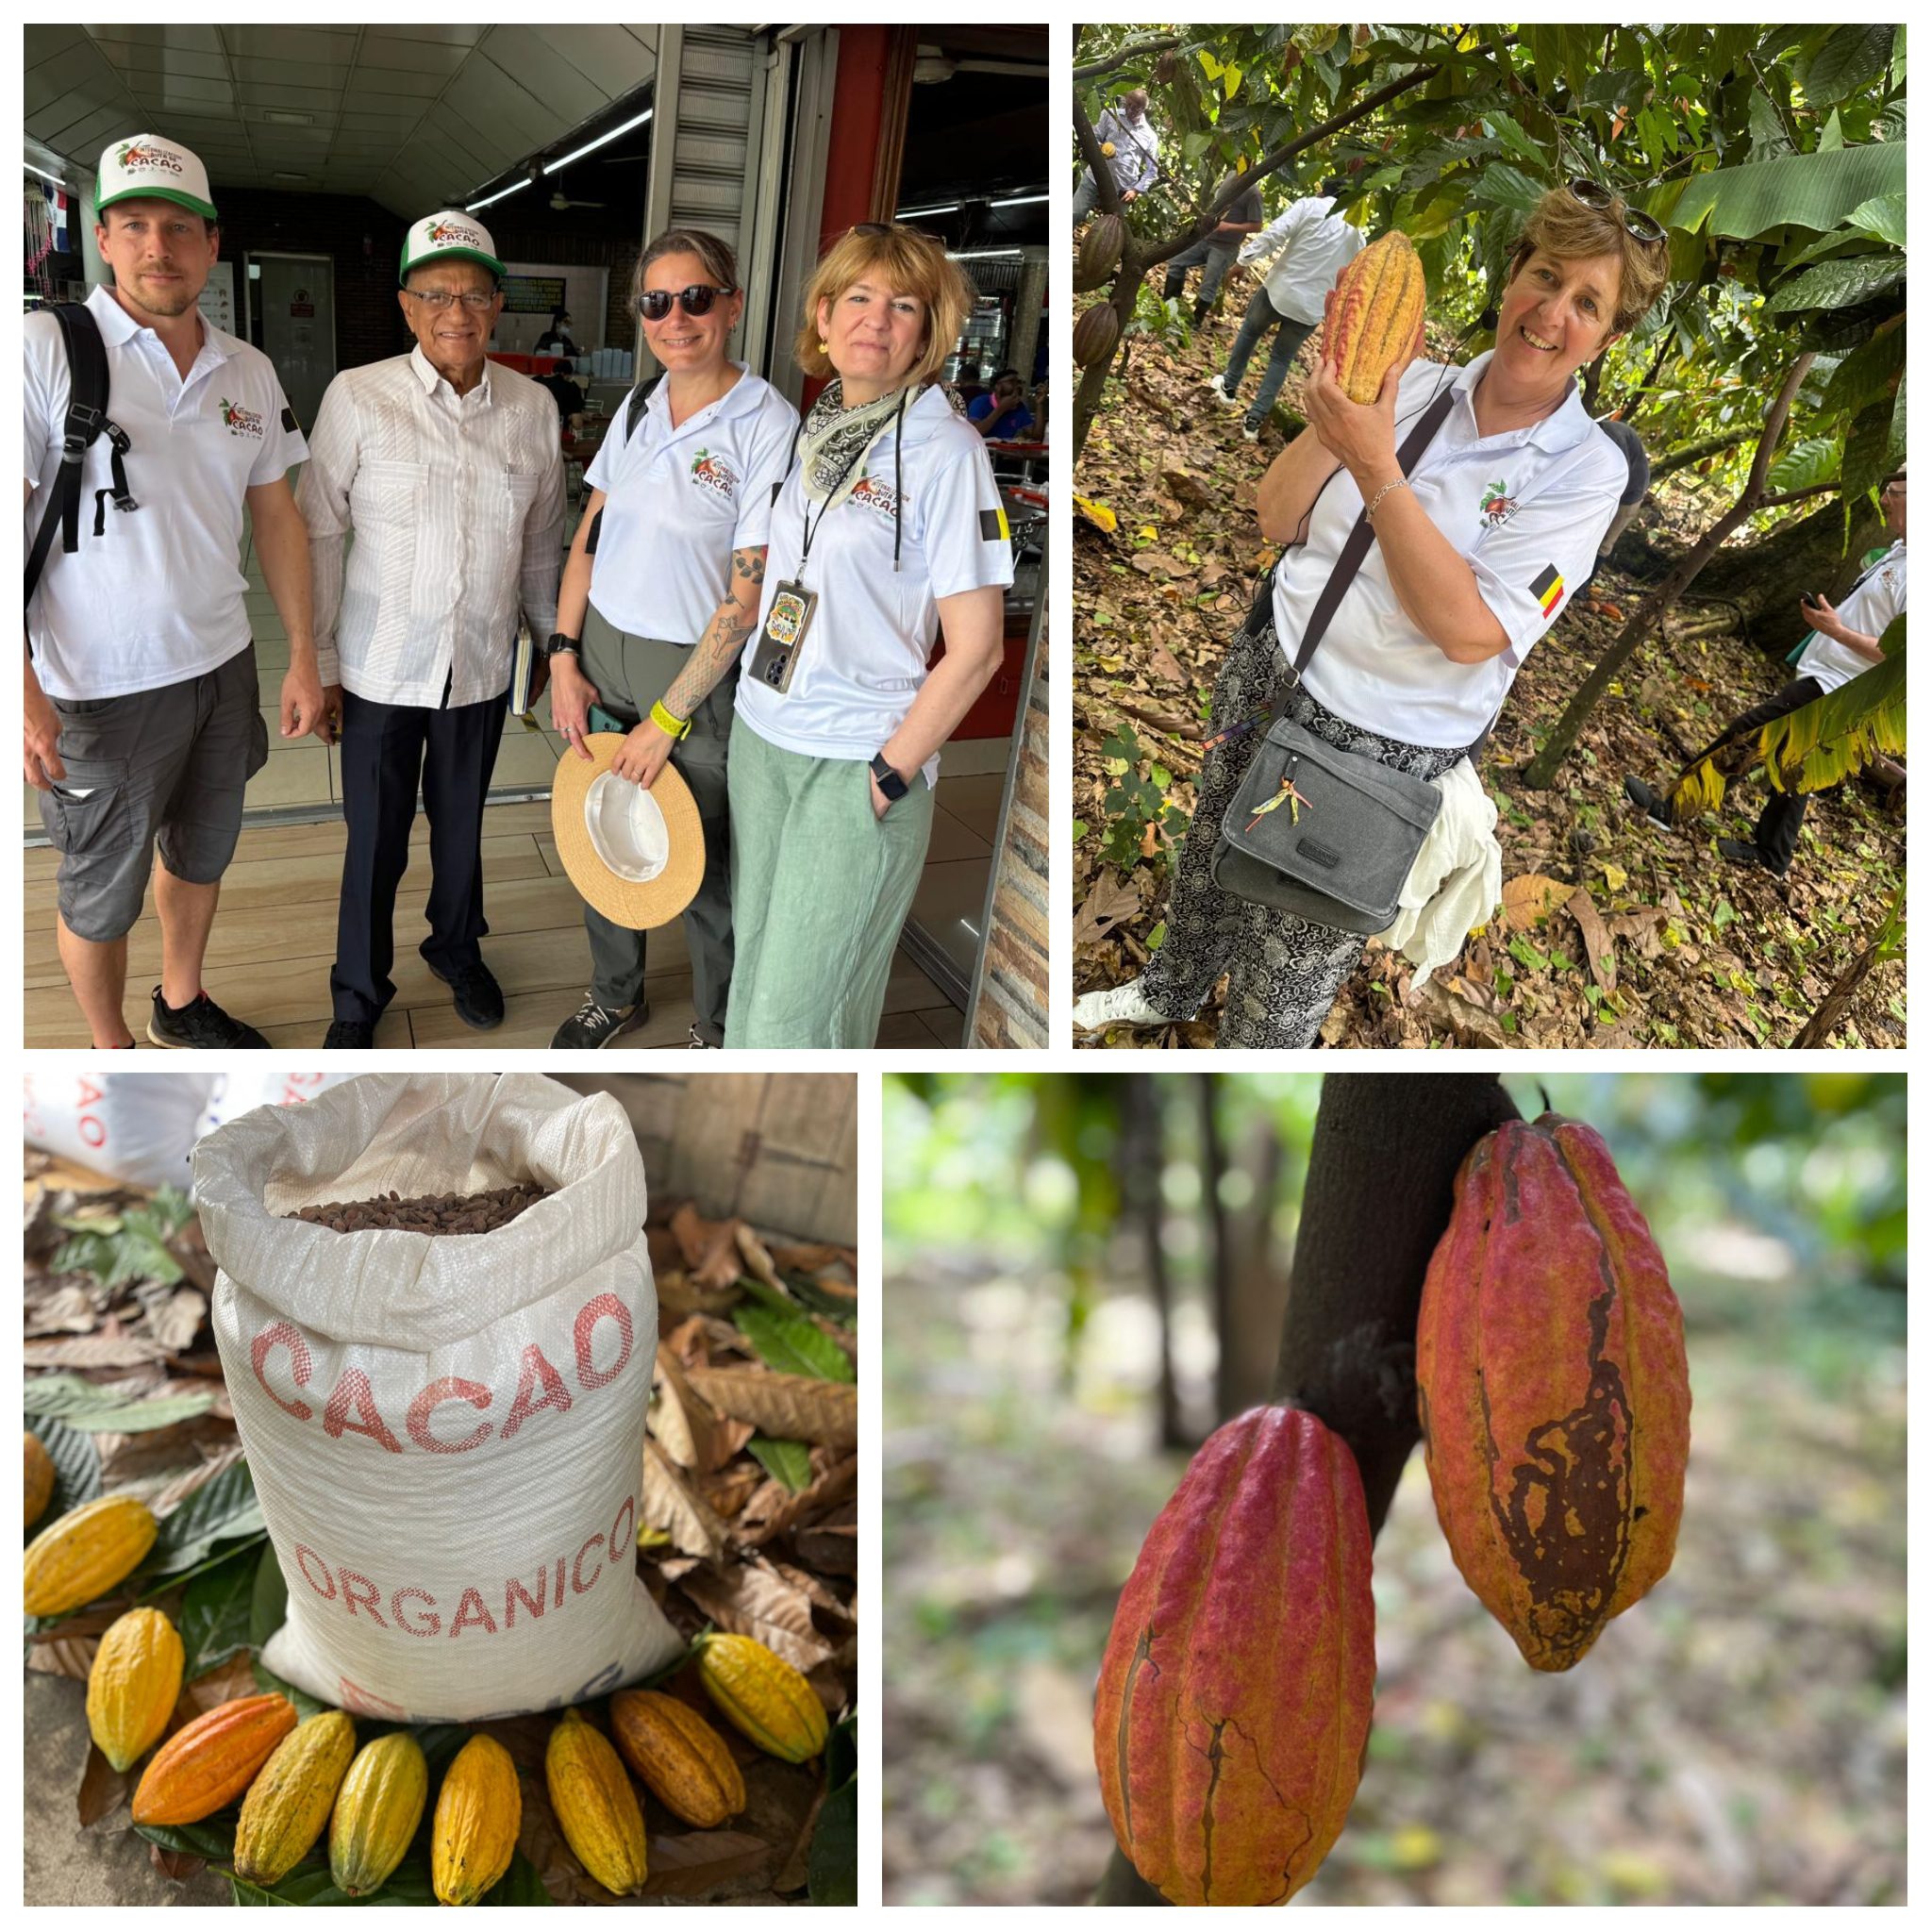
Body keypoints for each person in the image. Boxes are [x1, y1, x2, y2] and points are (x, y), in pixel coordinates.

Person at [1074, 180, 1672, 1047]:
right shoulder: (1417, 381)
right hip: (1273, 662)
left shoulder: (1583, 471)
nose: (1552, 312)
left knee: (1289, 968)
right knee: (1208, 859)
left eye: (1588, 303)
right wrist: (1341, 411)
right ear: (1512, 278)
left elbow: (1473, 632)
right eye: (1545, 277)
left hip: (1375, 744)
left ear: (1608, 336)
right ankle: (1170, 987)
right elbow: (1275, 516)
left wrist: (1372, 457)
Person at [24, 133, 324, 1050]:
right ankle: (114, 1051)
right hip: (95, 687)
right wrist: (21, 692)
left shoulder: (248, 370)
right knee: (100, 884)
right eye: (137, 226)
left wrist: (305, 654)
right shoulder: (43, 348)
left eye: (180, 229)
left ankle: (182, 999)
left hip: (221, 666)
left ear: (211, 245)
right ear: (105, 240)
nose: (160, 247)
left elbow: (276, 516)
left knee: (201, 849)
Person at [726, 223, 1015, 1046]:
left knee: (795, 1021)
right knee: (756, 979)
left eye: (903, 306)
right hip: (765, 736)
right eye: (857, 298)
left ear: (928, 333)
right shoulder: (814, 425)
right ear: (823, 317)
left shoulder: (945, 450)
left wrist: (889, 775)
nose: (875, 320)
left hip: (855, 758)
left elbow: (979, 647)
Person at [297, 210, 564, 1048]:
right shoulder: (358, 396)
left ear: (497, 307)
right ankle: (357, 994)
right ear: (408, 306)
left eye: (476, 295)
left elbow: (543, 542)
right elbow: (318, 534)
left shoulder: (532, 409)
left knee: (462, 825)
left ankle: (455, 946)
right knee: (374, 839)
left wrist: (552, 640)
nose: (459, 311)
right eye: (438, 294)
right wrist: (323, 661)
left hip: (480, 665)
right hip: (380, 667)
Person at [546, 228, 798, 1049]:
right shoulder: (639, 403)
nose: (676, 317)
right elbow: (592, 527)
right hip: (603, 651)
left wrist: (669, 718)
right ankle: (615, 992)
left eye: (696, 297)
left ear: (730, 304)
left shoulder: (765, 423)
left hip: (692, 673)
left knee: (702, 860)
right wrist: (562, 654)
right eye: (658, 302)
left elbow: (748, 596)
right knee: (604, 824)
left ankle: (717, 1024)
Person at [1624, 468, 1906, 876]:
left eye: (1893, 493)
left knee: (1746, 734)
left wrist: (1837, 631)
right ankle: (1773, 855)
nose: (1884, 501)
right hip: (1828, 675)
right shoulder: (1900, 551)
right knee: (1796, 767)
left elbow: (1900, 655)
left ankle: (1671, 807)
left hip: (1841, 689)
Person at [1207, 177, 1364, 442]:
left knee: (1249, 332)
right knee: (1281, 359)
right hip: (1311, 308)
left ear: (1323, 190)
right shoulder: (1357, 234)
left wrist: (1243, 260)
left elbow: (1275, 233)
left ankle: (1229, 386)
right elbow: (1353, 279)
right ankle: (1254, 420)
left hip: (1279, 291)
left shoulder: (1311, 206)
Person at [1161, 166, 1265, 325]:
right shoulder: (1230, 175)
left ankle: (1195, 322)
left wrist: (1229, 226)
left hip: (1224, 247)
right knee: (1176, 262)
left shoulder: (1253, 193)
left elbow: (1257, 226)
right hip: (1206, 237)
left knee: (1209, 284)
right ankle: (1169, 308)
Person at [1073, 91, 1159, 223]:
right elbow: (1093, 136)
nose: (1130, 110)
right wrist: (1100, 147)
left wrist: (1135, 191)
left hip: (1122, 190)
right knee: (1074, 213)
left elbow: (1152, 170)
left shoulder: (1150, 136)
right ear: (1125, 100)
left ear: (1143, 109)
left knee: (1111, 230)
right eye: (1128, 104)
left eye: (1136, 108)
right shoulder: (1110, 115)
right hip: (1094, 177)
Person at [968, 369, 1035, 441]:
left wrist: (1040, 404)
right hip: (981, 449)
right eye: (1012, 382)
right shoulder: (981, 402)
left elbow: (1035, 436)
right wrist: (1001, 409)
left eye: (1018, 382)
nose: (1017, 386)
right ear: (997, 386)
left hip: (1004, 450)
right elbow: (971, 433)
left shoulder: (1019, 407)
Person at [537, 357, 586, 433]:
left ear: (552, 372)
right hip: (557, 433)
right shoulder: (572, 388)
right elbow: (577, 423)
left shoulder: (537, 381)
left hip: (532, 429)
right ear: (568, 376)